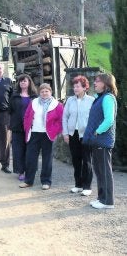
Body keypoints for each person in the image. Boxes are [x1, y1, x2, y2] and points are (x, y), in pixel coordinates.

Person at [83, 73, 117, 209]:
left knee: (104, 171)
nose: (94, 83)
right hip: (97, 141)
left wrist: (97, 131)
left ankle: (108, 201)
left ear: (105, 83)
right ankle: (101, 198)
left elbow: (109, 119)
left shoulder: (108, 98)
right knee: (99, 170)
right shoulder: (100, 98)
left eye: (97, 81)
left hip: (102, 140)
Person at [20, 83, 63, 190]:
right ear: (39, 93)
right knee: (30, 158)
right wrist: (27, 127)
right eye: (42, 91)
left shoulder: (57, 105)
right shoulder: (34, 102)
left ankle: (46, 181)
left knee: (47, 159)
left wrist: (55, 130)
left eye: (46, 91)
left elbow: (61, 120)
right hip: (34, 133)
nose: (44, 93)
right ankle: (28, 181)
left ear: (50, 92)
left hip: (47, 135)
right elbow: (26, 116)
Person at [62, 75, 94, 196]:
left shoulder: (91, 100)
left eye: (78, 86)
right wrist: (65, 133)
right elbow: (65, 117)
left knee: (87, 160)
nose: (75, 88)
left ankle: (87, 186)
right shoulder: (70, 100)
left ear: (85, 87)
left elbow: (94, 119)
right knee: (76, 160)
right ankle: (78, 185)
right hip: (72, 134)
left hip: (86, 134)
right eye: (74, 86)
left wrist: (92, 133)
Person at [9, 74, 37, 181]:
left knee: (30, 150)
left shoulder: (34, 97)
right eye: (21, 81)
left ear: (29, 82)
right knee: (18, 150)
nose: (22, 83)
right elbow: (10, 111)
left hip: (31, 128)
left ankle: (30, 171)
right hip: (18, 127)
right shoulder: (14, 96)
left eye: (25, 81)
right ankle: (20, 171)